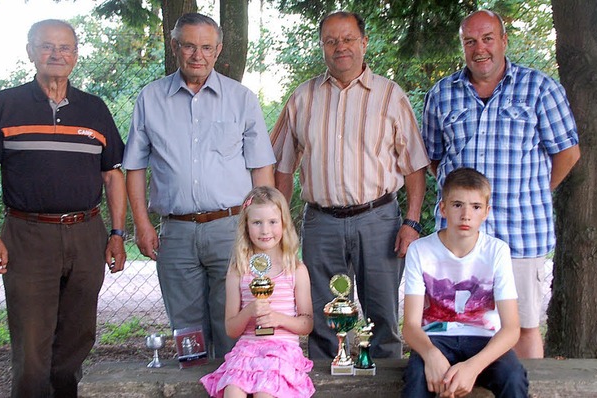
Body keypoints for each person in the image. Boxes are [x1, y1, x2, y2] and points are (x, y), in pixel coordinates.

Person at [0, 19, 127, 397]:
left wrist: (118, 234)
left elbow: (113, 176)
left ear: (75, 55)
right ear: (30, 52)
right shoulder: (6, 103)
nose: (57, 54)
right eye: (47, 46)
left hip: (86, 232)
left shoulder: (94, 108)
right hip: (27, 235)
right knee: (32, 342)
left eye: (65, 47)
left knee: (78, 335)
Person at [270, 11, 430, 360]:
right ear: (322, 46)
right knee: (324, 315)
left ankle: (385, 380)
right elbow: (281, 165)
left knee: (383, 315)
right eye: (331, 41)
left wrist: (412, 222)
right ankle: (325, 384)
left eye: (347, 39)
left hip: (379, 221)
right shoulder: (302, 98)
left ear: (363, 43)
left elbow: (415, 164)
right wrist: (279, 225)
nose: (339, 47)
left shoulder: (390, 95)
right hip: (321, 222)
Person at [421, 9, 580, 359]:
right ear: (462, 46)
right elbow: (434, 159)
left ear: (504, 41)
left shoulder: (540, 88)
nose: (480, 48)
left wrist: (535, 190)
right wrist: (462, 203)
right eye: (470, 41)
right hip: (458, 238)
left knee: (523, 327)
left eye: (488, 38)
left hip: (520, 233)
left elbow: (567, 153)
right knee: (456, 324)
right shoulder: (442, 94)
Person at [123, 12, 275, 359]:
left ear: (218, 49)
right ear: (174, 46)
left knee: (234, 326)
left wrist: (265, 229)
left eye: (206, 47)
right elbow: (134, 167)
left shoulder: (241, 98)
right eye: (189, 46)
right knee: (187, 331)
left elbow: (261, 169)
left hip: (231, 228)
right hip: (175, 234)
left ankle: (234, 387)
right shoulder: (150, 99)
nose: (198, 55)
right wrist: (142, 225)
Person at [402, 167, 528, 397]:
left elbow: (511, 328)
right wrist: (430, 355)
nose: (466, 215)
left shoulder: (496, 251)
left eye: (476, 207)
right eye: (457, 204)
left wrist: (473, 367)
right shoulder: (420, 251)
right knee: (417, 380)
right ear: (442, 208)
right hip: (435, 339)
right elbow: (410, 326)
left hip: (485, 340)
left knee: (513, 377)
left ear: (486, 211)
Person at [200, 186, 315, 398]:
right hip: (247, 351)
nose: (265, 230)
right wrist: (250, 311)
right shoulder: (239, 270)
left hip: (282, 352)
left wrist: (277, 318)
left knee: (265, 392)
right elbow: (231, 329)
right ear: (245, 226)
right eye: (257, 223)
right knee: (233, 392)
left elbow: (307, 324)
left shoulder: (296, 269)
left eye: (272, 222)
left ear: (284, 223)